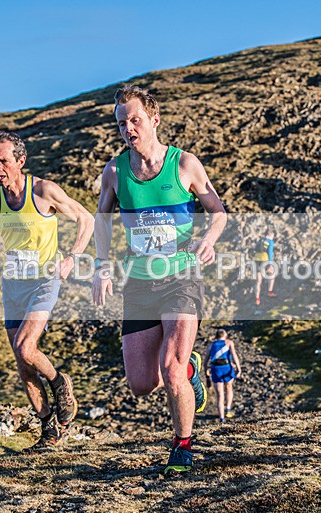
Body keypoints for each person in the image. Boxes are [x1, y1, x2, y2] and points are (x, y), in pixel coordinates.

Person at [91, 85, 227, 475]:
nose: (128, 128)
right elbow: (102, 218)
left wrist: (207, 238)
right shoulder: (116, 171)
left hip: (182, 277)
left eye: (134, 120)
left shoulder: (184, 164)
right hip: (139, 282)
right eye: (121, 123)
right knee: (140, 384)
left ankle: (182, 447)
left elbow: (217, 212)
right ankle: (189, 370)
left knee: (169, 366)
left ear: (154, 119)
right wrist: (102, 265)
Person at [0, 132, 94, 453]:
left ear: (20, 162)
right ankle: (49, 430)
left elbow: (86, 219)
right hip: (13, 284)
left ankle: (60, 383)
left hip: (44, 279)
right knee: (23, 365)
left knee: (26, 348)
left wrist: (71, 258)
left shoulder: (43, 191)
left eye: (4, 161)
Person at [204, 330, 243, 423]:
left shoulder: (211, 345)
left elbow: (205, 361)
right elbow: (234, 355)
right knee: (229, 388)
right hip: (227, 368)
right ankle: (228, 409)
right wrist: (239, 368)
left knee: (219, 395)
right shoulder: (229, 343)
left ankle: (221, 418)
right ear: (225, 335)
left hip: (216, 369)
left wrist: (206, 374)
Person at [253, 228, 277, 306]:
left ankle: (257, 298)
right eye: (273, 235)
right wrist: (270, 263)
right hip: (265, 260)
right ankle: (270, 291)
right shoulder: (270, 242)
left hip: (257, 260)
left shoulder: (261, 240)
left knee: (258, 281)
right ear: (271, 234)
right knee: (272, 275)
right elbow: (270, 252)